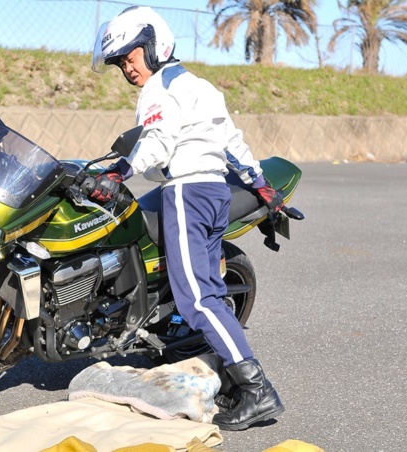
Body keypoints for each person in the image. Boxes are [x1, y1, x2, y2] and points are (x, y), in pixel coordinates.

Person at [88, 6, 286, 431]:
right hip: (215, 190)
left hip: (187, 193)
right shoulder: (200, 85)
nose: (128, 68)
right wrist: (261, 183)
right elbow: (231, 142)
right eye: (121, 62)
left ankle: (256, 390)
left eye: (132, 56)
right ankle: (203, 359)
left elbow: (157, 142)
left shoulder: (158, 89)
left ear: (155, 45)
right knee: (204, 290)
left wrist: (119, 171)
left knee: (199, 299)